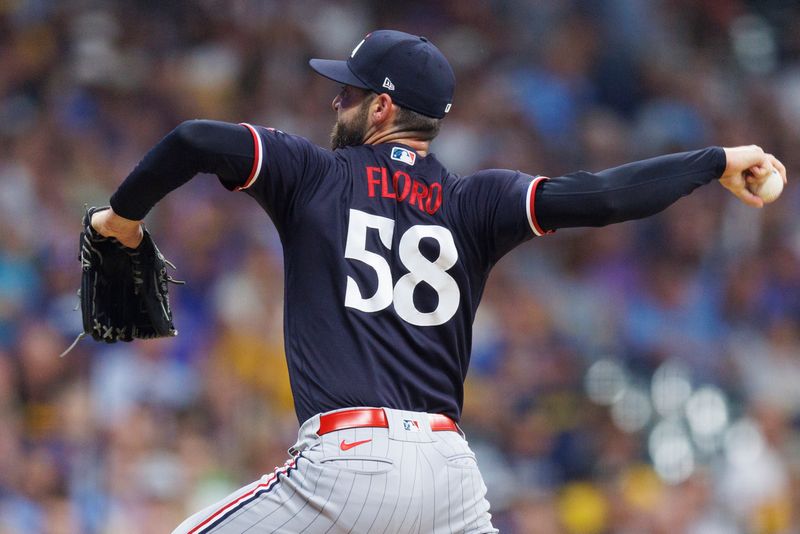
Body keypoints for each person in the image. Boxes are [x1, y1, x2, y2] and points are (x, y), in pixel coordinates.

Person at [90, 30, 786, 534]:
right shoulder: (477, 201)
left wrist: (120, 219)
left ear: (383, 109)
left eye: (347, 92)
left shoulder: (313, 174)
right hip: (451, 478)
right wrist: (715, 160)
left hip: (350, 460)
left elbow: (191, 140)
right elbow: (602, 198)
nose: (336, 103)